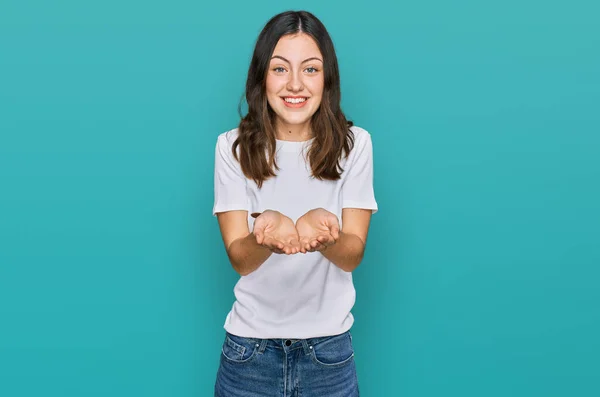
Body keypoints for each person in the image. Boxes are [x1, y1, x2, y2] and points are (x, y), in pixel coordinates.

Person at [212, 10, 378, 397]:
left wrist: (326, 234)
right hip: (248, 355)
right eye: (280, 69)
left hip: (329, 355)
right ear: (262, 77)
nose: (295, 85)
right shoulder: (231, 147)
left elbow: (352, 253)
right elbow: (240, 257)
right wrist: (264, 235)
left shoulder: (356, 146)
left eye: (311, 69)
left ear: (327, 78)